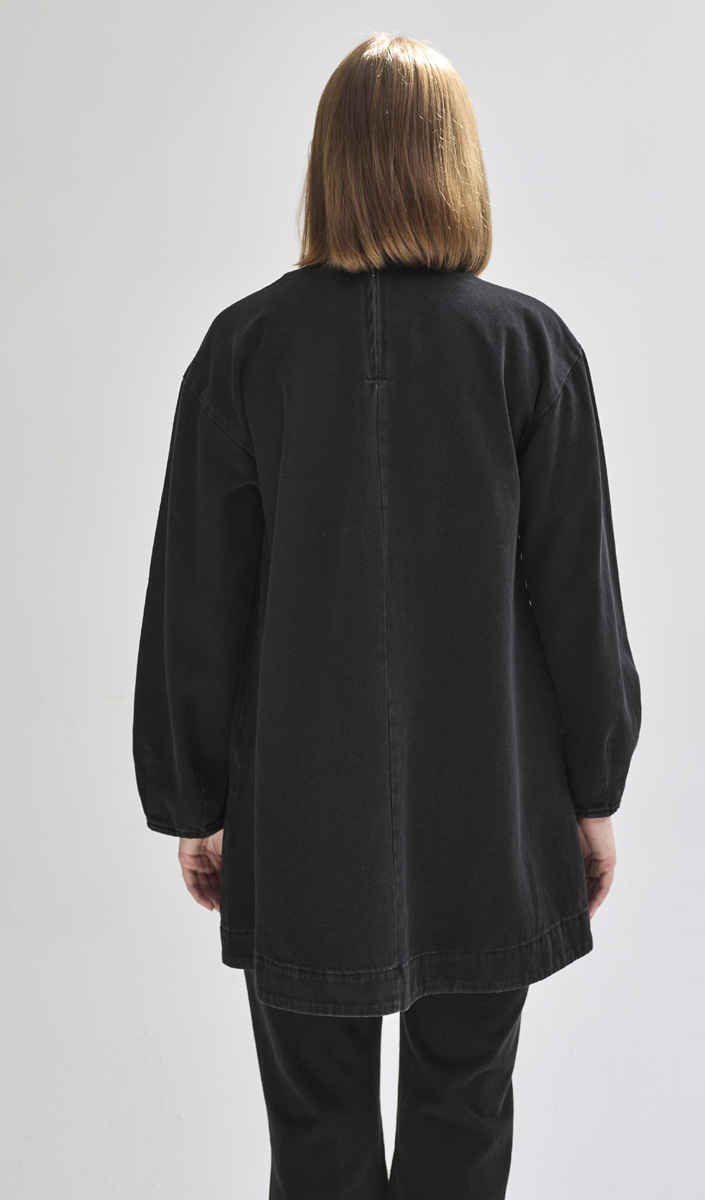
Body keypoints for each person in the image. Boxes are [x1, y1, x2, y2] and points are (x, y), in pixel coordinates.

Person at [132, 32, 642, 1200]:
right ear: (455, 160)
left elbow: (197, 604)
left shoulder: (245, 348)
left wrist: (196, 805)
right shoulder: (528, 348)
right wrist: (593, 795)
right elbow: (580, 599)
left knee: (314, 1135)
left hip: (298, 815)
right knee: (464, 1116)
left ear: (329, 164)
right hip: (491, 803)